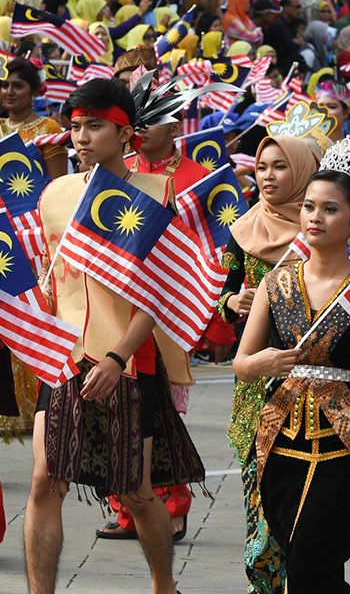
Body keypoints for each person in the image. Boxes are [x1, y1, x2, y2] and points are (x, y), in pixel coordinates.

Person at [28, 78, 203, 594]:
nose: (81, 137)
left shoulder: (157, 193)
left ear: (126, 134)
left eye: (94, 126)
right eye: (75, 126)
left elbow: (161, 291)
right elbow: (50, 277)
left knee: (137, 491)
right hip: (63, 357)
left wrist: (116, 355)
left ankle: (163, 583)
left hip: (129, 359)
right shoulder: (55, 194)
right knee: (44, 479)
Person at [234, 138, 350, 594]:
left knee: (315, 559)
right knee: (298, 562)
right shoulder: (275, 282)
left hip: (349, 444)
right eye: (309, 206)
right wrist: (264, 361)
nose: (315, 217)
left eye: (330, 209)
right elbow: (241, 363)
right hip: (279, 440)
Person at [95, 111, 213, 543]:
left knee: (161, 415)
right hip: (117, 315)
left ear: (175, 127)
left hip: (167, 309)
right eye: (136, 124)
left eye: (152, 123)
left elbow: (205, 247)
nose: (142, 132)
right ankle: (126, 508)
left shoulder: (196, 177)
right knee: (117, 416)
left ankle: (173, 507)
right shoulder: (118, 173)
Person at [221, 135, 319, 593]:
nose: (267, 176)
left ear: (302, 172)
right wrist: (233, 300)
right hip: (255, 384)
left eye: (280, 167)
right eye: (261, 167)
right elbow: (224, 290)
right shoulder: (243, 229)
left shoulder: (321, 226)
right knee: (256, 496)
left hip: (314, 387)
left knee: (301, 510)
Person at [0, 57, 67, 179]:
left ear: (33, 91)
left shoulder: (49, 129)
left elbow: (57, 184)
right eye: (5, 86)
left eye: (17, 86)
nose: (9, 91)